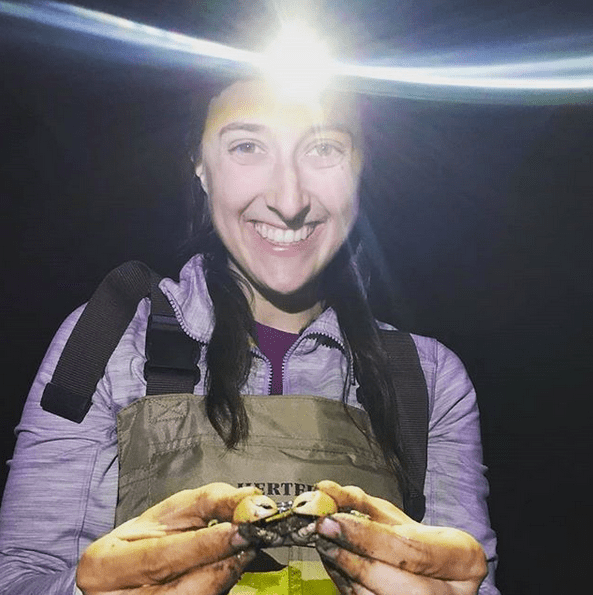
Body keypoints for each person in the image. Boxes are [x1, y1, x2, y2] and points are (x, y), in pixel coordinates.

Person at [0, 76, 498, 594]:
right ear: (200, 165)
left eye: (324, 148)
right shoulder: (108, 343)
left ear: (361, 166)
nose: (289, 200)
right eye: (247, 146)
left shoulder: (428, 379)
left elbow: (468, 576)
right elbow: (20, 576)